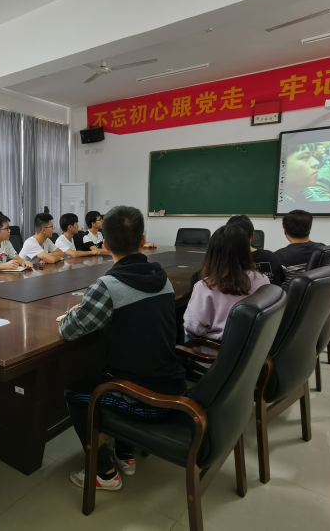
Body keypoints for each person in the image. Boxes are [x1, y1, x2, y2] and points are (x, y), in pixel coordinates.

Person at [59, 205, 185, 491]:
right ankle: (125, 454)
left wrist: (76, 311)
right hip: (174, 387)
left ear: (105, 244)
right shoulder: (162, 277)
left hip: (145, 402)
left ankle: (103, 473)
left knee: (74, 392)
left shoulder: (108, 286)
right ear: (143, 240)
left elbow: (68, 330)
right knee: (127, 366)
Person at [183, 225, 271, 341]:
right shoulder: (263, 279)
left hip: (215, 348)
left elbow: (192, 328)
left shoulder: (205, 286)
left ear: (212, 253)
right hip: (256, 344)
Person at [274, 210, 325, 290]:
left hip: (290, 296)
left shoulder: (279, 256)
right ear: (310, 227)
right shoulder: (323, 249)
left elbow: (275, 286)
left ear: (285, 230)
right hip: (319, 294)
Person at [226, 215, 283, 286]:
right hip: (271, 293)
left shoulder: (224, 258)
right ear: (252, 235)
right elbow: (281, 281)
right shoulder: (270, 256)